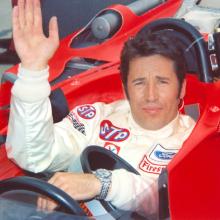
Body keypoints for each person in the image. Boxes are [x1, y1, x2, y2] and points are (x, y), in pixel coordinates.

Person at [6, 0, 195, 217]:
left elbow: (164, 200)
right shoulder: (96, 117)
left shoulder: (194, 140)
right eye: (139, 82)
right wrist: (33, 72)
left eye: (162, 82)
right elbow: (35, 157)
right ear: (125, 89)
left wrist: (101, 183)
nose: (150, 95)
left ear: (181, 89)